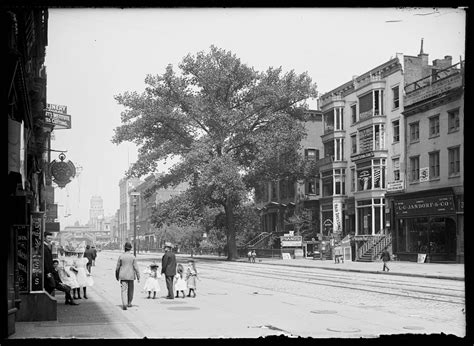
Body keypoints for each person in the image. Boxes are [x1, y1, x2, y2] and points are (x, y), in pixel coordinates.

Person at [115, 242, 140, 310]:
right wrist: (138, 276)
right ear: (130, 249)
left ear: (124, 248)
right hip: (131, 276)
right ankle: (129, 302)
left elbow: (117, 267)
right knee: (131, 290)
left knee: (124, 290)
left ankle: (124, 304)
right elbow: (136, 268)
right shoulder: (133, 257)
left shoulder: (121, 256)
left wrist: (117, 275)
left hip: (123, 276)